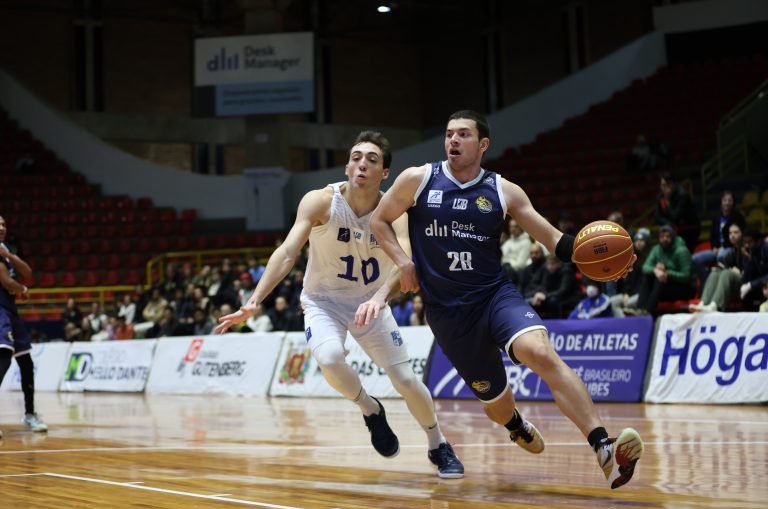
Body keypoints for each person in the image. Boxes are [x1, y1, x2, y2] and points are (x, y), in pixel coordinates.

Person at [369, 110, 642, 489]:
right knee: (497, 405)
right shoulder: (419, 179)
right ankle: (515, 424)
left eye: (463, 134)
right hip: (449, 314)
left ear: (483, 144)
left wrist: (608, 259)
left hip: (494, 296)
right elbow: (379, 220)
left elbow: (556, 241)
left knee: (541, 353)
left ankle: (604, 449)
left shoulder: (503, 190)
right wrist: (404, 262)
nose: (453, 140)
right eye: (449, 134)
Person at [215, 131, 464, 478]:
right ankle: (370, 409)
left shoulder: (394, 211)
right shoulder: (320, 202)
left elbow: (404, 263)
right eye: (356, 157)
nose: (362, 164)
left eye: (372, 160)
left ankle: (438, 444)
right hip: (323, 301)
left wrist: (380, 298)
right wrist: (255, 301)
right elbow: (287, 252)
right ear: (347, 166)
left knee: (406, 379)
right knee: (330, 357)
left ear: (385, 173)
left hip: (371, 302)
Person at [0, 215, 48, 436]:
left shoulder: (5, 251)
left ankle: (30, 414)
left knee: (26, 364)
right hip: (0, 312)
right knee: (3, 359)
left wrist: (9, 255)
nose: (2, 228)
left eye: (4, 224)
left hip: (10, 312)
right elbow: (7, 282)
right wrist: (23, 290)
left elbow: (27, 272)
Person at [634, 225, 695, 315]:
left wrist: (667, 273)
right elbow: (645, 267)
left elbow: (686, 276)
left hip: (684, 288)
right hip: (666, 286)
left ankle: (647, 311)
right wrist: (655, 270)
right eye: (662, 237)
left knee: (660, 280)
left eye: (667, 236)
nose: (664, 239)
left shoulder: (682, 251)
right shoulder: (657, 249)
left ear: (673, 237)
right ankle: (640, 309)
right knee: (648, 277)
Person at [691, 190, 746, 287]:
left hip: (730, 248)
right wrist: (714, 247)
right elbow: (712, 235)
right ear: (721, 202)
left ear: (733, 202)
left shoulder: (738, 217)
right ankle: (706, 281)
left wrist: (723, 247)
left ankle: (725, 283)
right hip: (717, 249)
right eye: (725, 200)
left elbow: (738, 237)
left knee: (721, 256)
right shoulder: (716, 217)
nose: (727, 203)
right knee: (694, 259)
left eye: (729, 200)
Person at [689, 222, 747, 313]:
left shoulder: (747, 247)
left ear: (742, 233)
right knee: (715, 272)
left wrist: (741, 272)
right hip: (732, 282)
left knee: (726, 273)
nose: (732, 236)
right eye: (730, 233)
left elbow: (753, 269)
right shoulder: (732, 250)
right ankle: (704, 303)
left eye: (736, 232)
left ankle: (715, 305)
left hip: (746, 283)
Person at [654, 172, 700, 252]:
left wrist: (667, 201)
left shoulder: (683, 195)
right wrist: (668, 224)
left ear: (673, 184)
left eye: (667, 184)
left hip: (688, 230)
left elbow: (676, 217)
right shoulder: (660, 196)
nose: (665, 188)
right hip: (672, 228)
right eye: (663, 185)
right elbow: (657, 217)